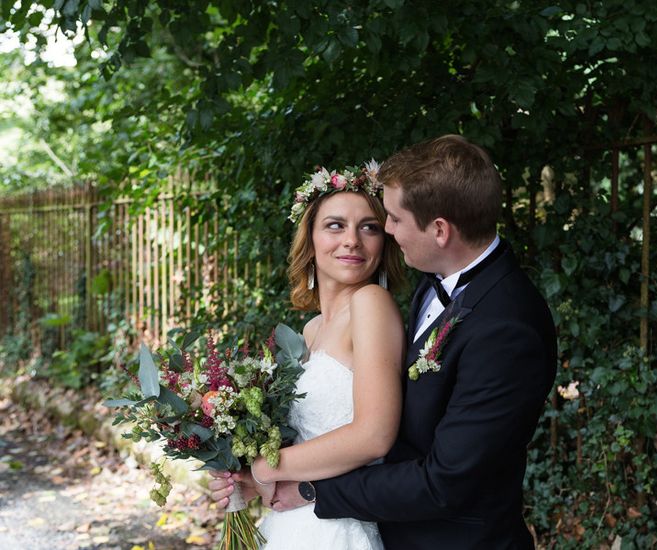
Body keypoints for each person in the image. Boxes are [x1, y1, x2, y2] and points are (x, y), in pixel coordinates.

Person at [212, 135, 558, 550]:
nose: (387, 233)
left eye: (386, 222)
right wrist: (259, 475)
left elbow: (438, 476)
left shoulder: (506, 324)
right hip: (352, 522)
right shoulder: (430, 285)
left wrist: (288, 478)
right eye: (336, 225)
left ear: (440, 231)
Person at [211, 161, 406, 549]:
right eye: (335, 225)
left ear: (383, 241)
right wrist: (252, 482)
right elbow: (312, 443)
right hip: (296, 520)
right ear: (310, 239)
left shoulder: (372, 303)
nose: (352, 240)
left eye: (368, 227)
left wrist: (266, 466)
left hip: (340, 529)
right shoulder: (311, 330)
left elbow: (374, 436)